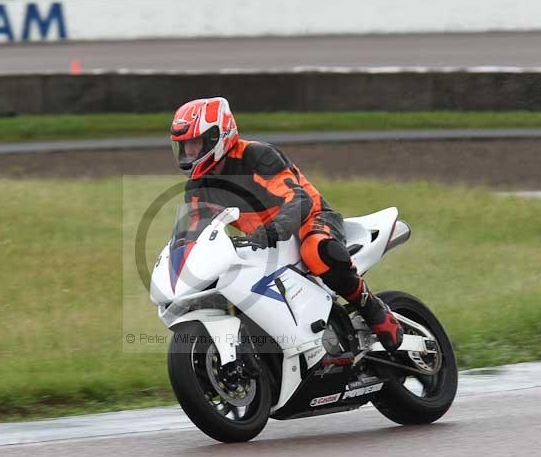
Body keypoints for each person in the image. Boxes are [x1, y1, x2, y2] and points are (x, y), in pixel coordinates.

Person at [171, 97, 403, 352]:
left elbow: (297, 199)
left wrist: (275, 228)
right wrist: (181, 254)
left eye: (195, 144)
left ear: (218, 136)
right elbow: (195, 228)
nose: (188, 154)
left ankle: (372, 310)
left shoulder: (257, 156)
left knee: (317, 251)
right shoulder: (198, 186)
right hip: (262, 242)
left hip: (311, 219)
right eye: (184, 147)